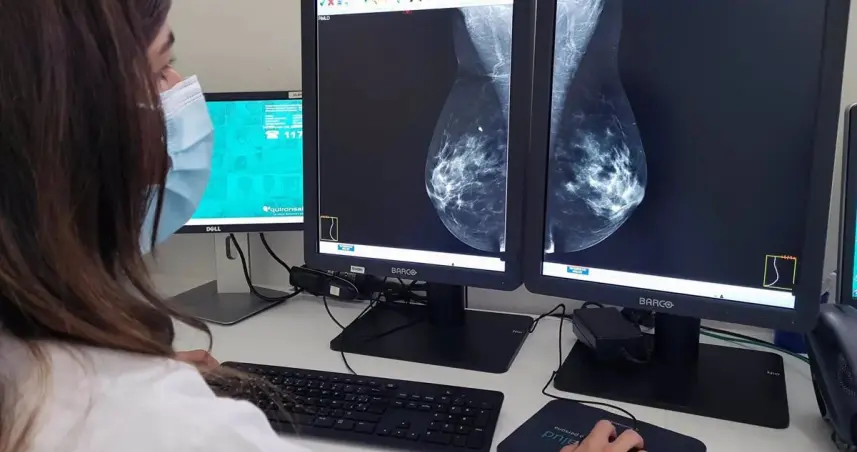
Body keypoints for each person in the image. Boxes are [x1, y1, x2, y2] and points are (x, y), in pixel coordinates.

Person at [0, 1, 645, 451]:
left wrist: (146, 382)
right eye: (161, 69)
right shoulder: (153, 426)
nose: (181, 90)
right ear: (84, 135)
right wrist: (149, 398)